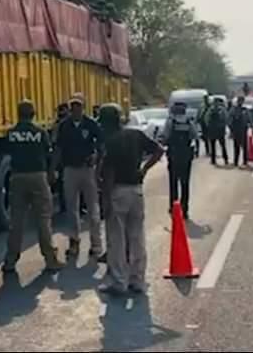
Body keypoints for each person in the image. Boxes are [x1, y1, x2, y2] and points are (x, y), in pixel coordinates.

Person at [98, 102, 163, 296]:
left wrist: (106, 200)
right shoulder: (136, 135)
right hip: (136, 190)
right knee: (137, 237)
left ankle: (118, 282)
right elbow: (159, 150)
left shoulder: (111, 141)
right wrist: (144, 169)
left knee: (116, 239)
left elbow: (108, 173)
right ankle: (138, 280)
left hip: (118, 191)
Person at [2, 100, 64, 274]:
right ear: (33, 114)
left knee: (16, 221)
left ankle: (10, 261)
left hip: (17, 177)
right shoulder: (40, 132)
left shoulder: (11, 133)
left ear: (18, 114)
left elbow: (8, 151)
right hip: (38, 175)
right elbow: (47, 152)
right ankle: (50, 260)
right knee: (43, 219)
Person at [56, 95, 105, 261]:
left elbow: (101, 145)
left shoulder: (91, 124)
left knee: (93, 209)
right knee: (72, 209)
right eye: (73, 107)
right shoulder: (64, 126)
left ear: (83, 108)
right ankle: (74, 242)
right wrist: (53, 170)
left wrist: (97, 158)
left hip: (87, 169)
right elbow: (58, 148)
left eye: (78, 107)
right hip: (70, 169)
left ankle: (96, 244)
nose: (75, 110)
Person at [158, 101, 198, 218]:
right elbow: (194, 136)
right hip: (186, 156)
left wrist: (162, 142)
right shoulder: (189, 121)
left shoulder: (171, 121)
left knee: (173, 183)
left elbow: (165, 136)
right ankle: (185, 209)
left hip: (174, 155)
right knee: (185, 184)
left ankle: (173, 207)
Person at [204, 97, 230, 166]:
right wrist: (224, 126)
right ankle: (225, 159)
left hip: (213, 130)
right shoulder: (222, 109)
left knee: (213, 146)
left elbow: (206, 119)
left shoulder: (211, 109)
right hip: (220, 130)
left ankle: (213, 160)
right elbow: (226, 119)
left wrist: (209, 126)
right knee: (222, 146)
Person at [228, 96, 252, 169]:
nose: (240, 102)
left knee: (244, 147)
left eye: (242, 101)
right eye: (239, 101)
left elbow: (249, 118)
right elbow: (229, 120)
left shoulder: (245, 109)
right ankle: (236, 162)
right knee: (236, 146)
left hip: (243, 129)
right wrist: (231, 130)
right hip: (236, 130)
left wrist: (252, 127)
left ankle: (245, 161)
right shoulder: (233, 109)